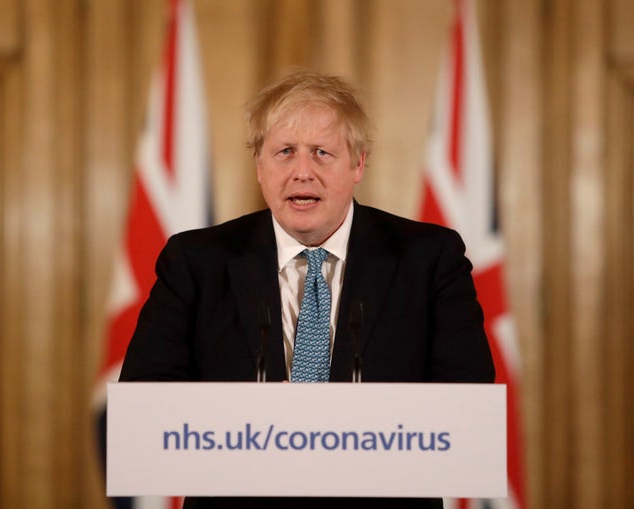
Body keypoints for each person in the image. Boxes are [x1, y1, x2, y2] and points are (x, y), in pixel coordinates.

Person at [119, 69, 495, 509]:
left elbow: (467, 411)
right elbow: (143, 412)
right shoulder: (197, 262)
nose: (302, 172)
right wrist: (258, 425)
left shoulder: (428, 260)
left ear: (357, 164)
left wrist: (336, 426)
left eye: (322, 153)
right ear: (259, 166)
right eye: (284, 152)